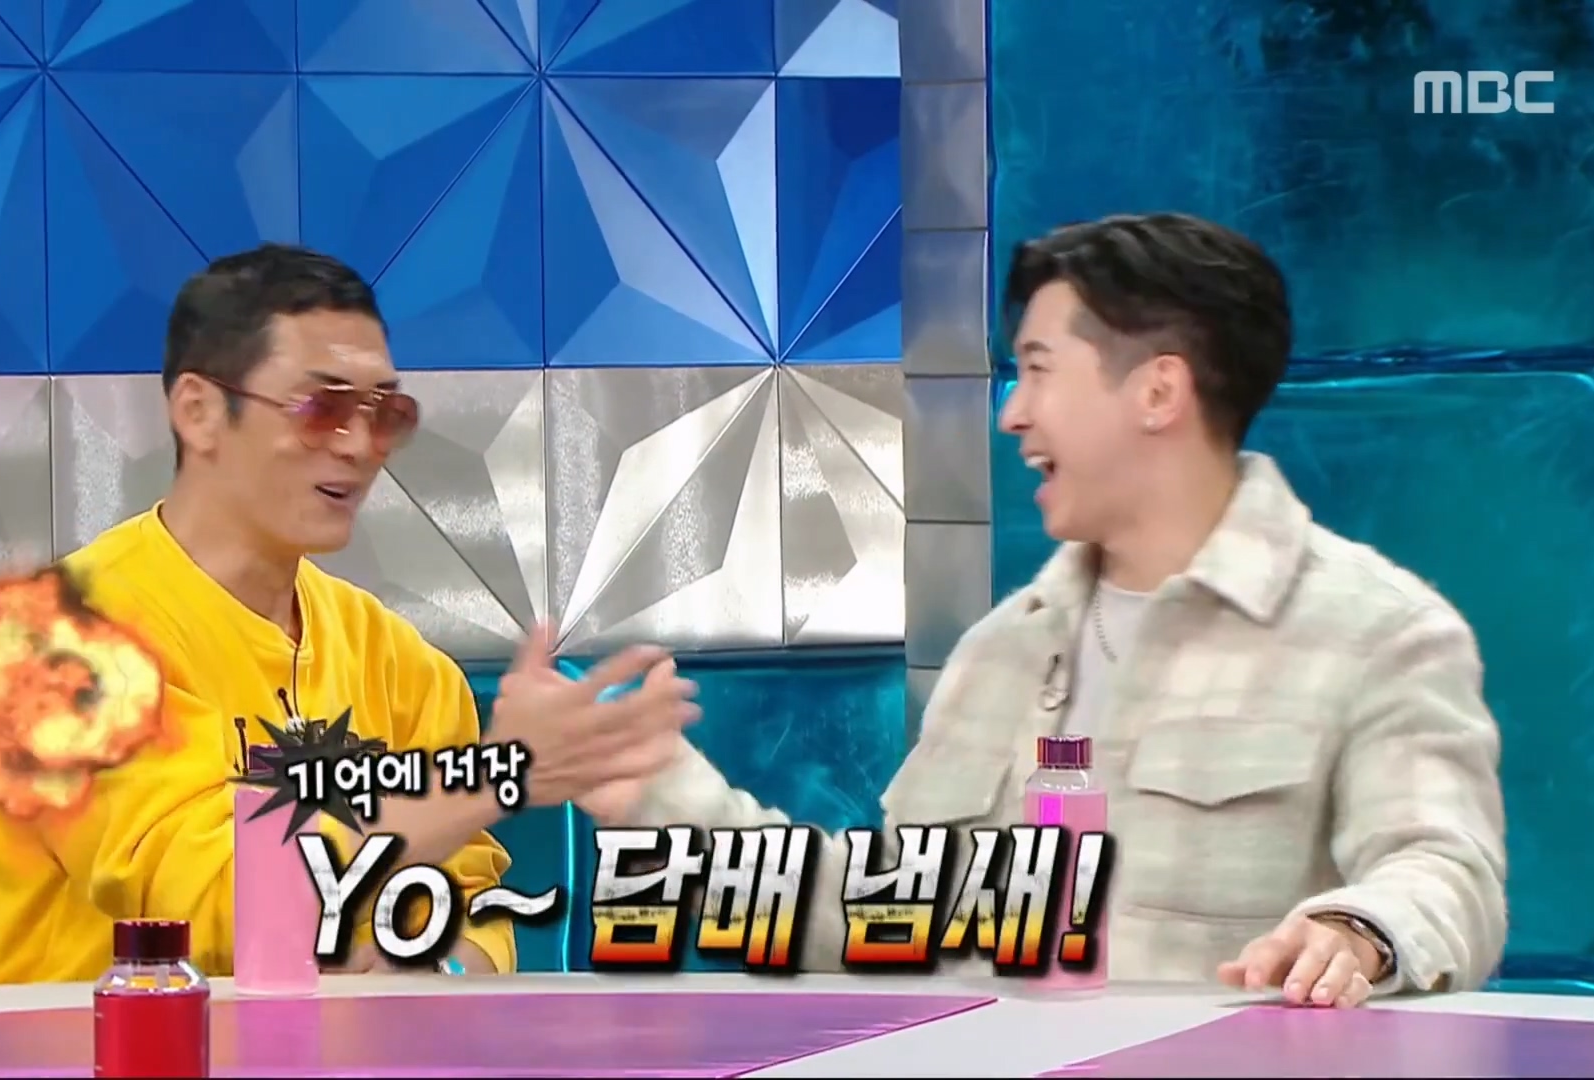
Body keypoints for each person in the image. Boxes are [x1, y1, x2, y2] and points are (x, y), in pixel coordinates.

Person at [579, 213, 1508, 1006]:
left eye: (1037, 370)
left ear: (1158, 391)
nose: (1011, 414)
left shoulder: (1378, 631)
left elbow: (1446, 871)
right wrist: (655, 793)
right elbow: (888, 925)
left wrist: (1357, 932)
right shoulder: (1001, 652)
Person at [0, 244, 698, 985]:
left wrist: (430, 971)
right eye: (322, 409)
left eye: (385, 413)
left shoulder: (401, 664)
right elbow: (220, 909)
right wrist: (497, 776)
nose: (361, 447)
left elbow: (472, 902)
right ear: (200, 413)